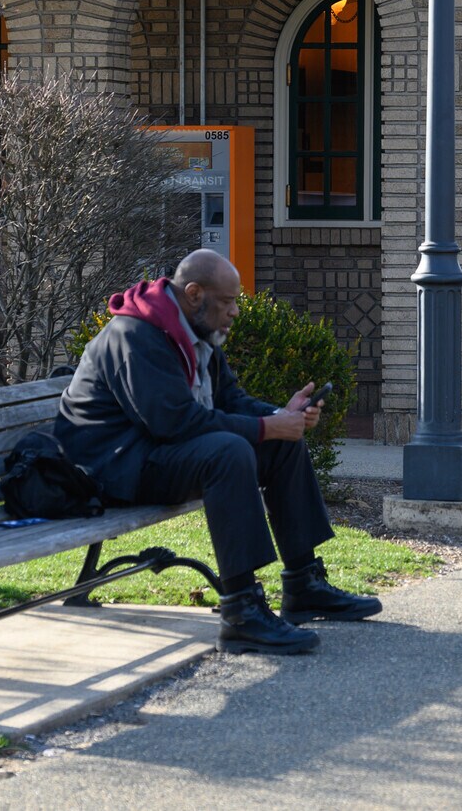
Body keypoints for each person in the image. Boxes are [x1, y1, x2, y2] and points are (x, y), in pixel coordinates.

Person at [54, 249, 380, 655]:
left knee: (281, 446)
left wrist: (281, 417)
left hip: (153, 456)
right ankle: (242, 613)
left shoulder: (193, 333)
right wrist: (265, 427)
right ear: (194, 294)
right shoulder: (135, 336)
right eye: (227, 302)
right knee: (228, 452)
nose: (235, 312)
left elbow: (229, 400)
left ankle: (304, 584)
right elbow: (173, 423)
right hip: (114, 470)